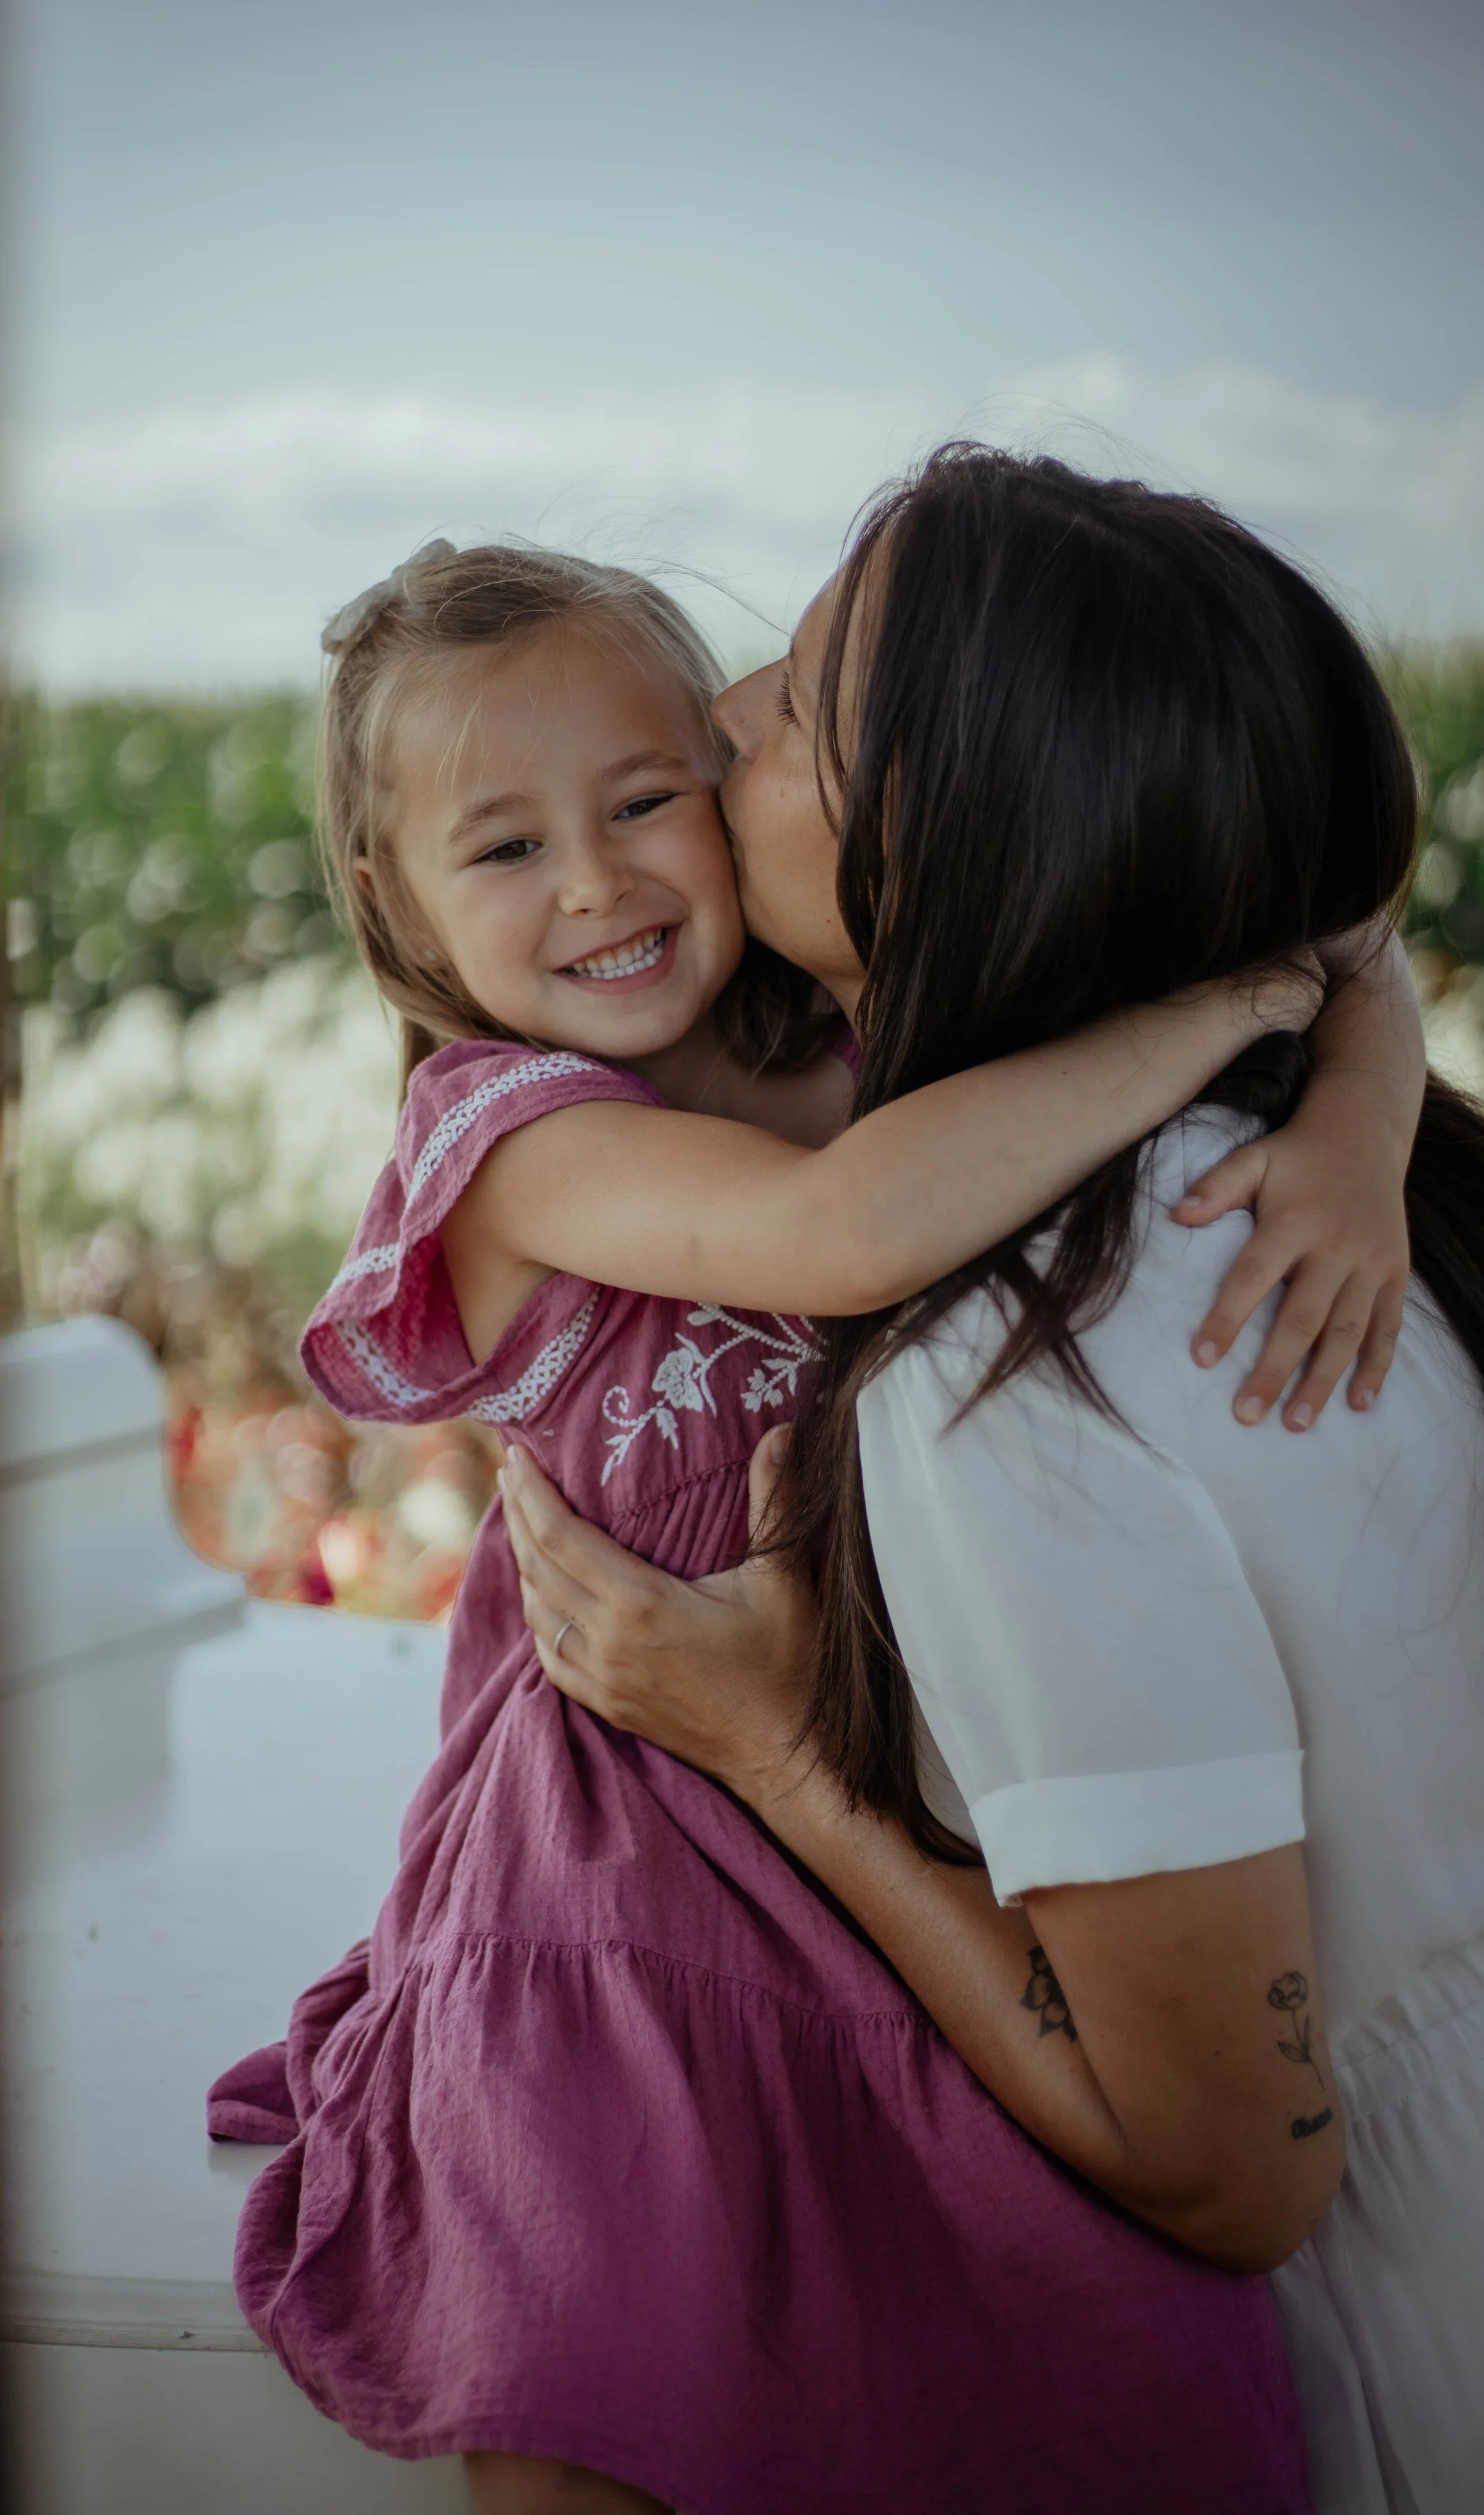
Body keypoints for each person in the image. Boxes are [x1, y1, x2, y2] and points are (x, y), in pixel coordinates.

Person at [210, 537, 1411, 2515]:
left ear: (718, 771)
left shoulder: (835, 1028)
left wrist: (1349, 1111)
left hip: (904, 1794)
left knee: (1109, 2337)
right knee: (600, 2322)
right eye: (502, 849)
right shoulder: (504, 1143)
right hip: (629, 1835)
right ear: (391, 899)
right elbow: (841, 1234)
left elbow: (1337, 906)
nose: (595, 883)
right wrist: (1222, 1016)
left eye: (642, 799)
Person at [499, 452, 1483, 2515]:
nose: (724, 711)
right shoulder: (1387, 1176)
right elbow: (1340, 917)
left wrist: (772, 1745)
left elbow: (1231, 2164)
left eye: (800, 712)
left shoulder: (1001, 1374)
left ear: (954, 851)